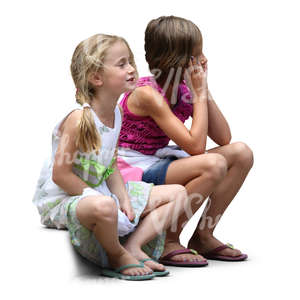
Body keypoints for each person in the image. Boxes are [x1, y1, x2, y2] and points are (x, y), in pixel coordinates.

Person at [32, 33, 191, 280]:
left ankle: (134, 246)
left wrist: (124, 199)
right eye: (121, 64)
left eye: (130, 62)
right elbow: (61, 175)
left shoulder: (117, 114)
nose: (131, 69)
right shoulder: (78, 120)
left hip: (101, 193)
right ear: (96, 77)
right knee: (105, 206)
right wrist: (102, 198)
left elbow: (110, 165)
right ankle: (116, 255)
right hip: (67, 198)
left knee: (179, 193)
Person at [117, 16, 254, 266]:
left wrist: (202, 90)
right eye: (197, 54)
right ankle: (168, 239)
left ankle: (203, 235)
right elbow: (196, 147)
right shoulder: (146, 94)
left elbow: (223, 137)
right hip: (133, 169)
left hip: (156, 160)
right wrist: (198, 93)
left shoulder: (181, 90)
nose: (204, 60)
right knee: (212, 165)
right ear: (177, 59)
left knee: (241, 153)